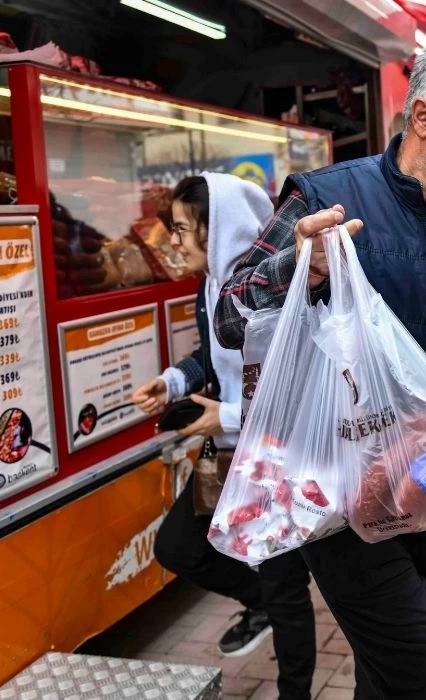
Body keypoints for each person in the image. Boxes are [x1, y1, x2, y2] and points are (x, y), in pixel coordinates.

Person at [214, 44, 426, 698]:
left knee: (389, 674)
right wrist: (296, 270)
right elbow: (229, 313)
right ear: (422, 117)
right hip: (339, 487)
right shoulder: (329, 200)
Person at [132, 174, 317, 699]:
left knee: (287, 586)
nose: (174, 240)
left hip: (276, 454)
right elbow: (210, 357)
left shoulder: (271, 290)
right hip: (224, 447)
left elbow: (295, 387)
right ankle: (257, 603)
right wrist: (172, 383)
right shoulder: (211, 283)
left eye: (184, 228)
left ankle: (294, 691)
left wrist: (227, 417)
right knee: (179, 548)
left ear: (220, 231)